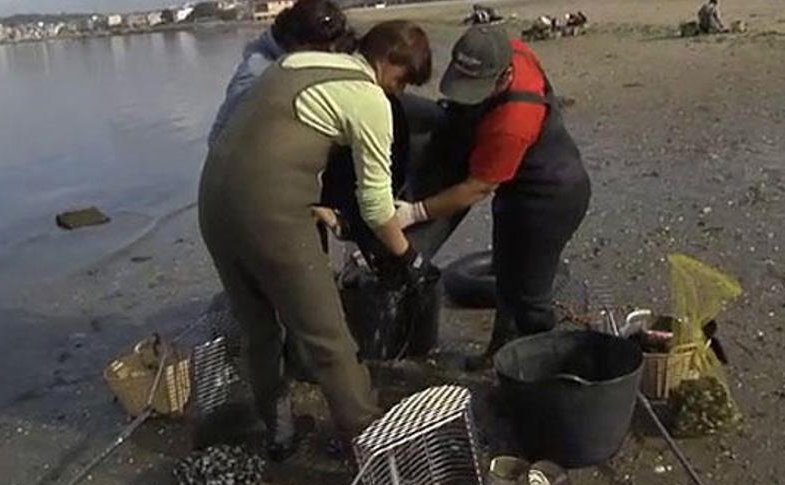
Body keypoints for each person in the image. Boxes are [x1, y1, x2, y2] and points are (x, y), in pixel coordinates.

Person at [198, 20, 434, 459]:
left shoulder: (296, 62)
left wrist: (324, 206)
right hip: (268, 209)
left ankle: (280, 432)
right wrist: (412, 261)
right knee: (329, 338)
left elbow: (278, 138)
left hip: (212, 200)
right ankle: (372, 448)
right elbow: (377, 207)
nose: (398, 93)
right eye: (401, 81)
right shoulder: (369, 98)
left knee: (259, 329)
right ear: (389, 61)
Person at [394, 23, 591, 369]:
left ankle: (545, 369)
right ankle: (496, 358)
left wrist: (414, 212)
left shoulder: (512, 122)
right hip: (515, 190)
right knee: (507, 279)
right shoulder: (511, 48)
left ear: (504, 77)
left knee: (530, 298)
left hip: (548, 198)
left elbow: (476, 188)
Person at [206, 0, 355, 146]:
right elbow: (219, 139)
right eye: (322, 51)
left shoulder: (283, 58)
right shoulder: (258, 73)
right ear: (301, 44)